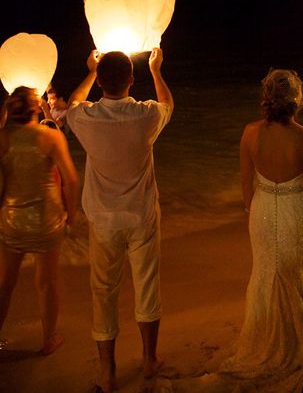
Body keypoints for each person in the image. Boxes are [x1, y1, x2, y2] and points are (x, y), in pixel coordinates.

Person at [181, 69, 303, 393]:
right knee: (297, 277)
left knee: (266, 275)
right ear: (296, 101)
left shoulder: (250, 133)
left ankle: (266, 341)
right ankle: (300, 347)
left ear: (267, 99)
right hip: (295, 212)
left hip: (262, 210)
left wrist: (254, 213)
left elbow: (246, 182)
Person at [66, 47, 173, 393]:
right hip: (141, 214)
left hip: (103, 218)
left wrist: (88, 70)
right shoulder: (145, 116)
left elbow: (71, 103)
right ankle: (149, 359)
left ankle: (108, 371)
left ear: (99, 82)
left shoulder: (85, 118)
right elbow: (168, 104)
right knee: (147, 285)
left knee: (104, 292)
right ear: (131, 79)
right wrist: (156, 70)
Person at [0, 86, 79, 354]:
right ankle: (47, 341)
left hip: (12, 219)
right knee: (47, 283)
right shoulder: (51, 137)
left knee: (5, 282)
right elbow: (70, 179)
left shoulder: (3, 137)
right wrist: (72, 214)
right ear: (36, 108)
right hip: (47, 220)